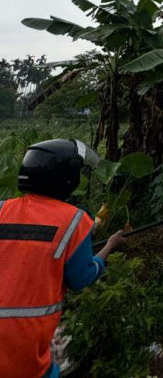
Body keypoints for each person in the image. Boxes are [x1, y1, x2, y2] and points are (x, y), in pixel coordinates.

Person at [0, 139, 126, 378]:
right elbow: (82, 277)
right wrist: (110, 246)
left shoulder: (2, 209)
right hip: (24, 347)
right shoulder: (73, 221)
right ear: (66, 180)